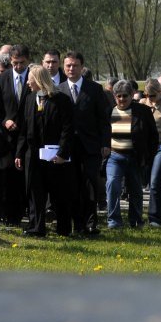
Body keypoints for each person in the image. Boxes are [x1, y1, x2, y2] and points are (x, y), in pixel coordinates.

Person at [14, 65, 73, 236]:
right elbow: (24, 129)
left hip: (54, 154)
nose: (27, 83)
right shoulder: (31, 99)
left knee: (59, 192)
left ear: (39, 80)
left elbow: (67, 129)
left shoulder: (61, 100)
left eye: (30, 79)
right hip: (32, 154)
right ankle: (36, 227)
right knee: (34, 191)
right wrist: (19, 153)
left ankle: (63, 228)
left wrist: (62, 153)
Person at [59, 51, 111, 236]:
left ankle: (91, 224)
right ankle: (77, 224)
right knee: (72, 186)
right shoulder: (59, 89)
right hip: (68, 148)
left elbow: (103, 120)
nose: (71, 69)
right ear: (64, 68)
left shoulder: (94, 89)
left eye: (75, 65)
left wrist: (105, 143)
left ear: (82, 67)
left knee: (90, 184)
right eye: (68, 66)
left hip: (90, 146)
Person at [105, 80, 158, 229]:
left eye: (125, 96)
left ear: (131, 95)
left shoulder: (143, 112)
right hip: (115, 157)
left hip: (135, 157)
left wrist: (148, 157)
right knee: (113, 186)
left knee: (135, 191)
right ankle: (114, 221)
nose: (122, 99)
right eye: (118, 96)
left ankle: (135, 221)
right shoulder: (108, 112)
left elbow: (153, 137)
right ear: (114, 96)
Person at [0, 44, 32, 225]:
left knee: (28, 176)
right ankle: (11, 216)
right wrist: (5, 120)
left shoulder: (34, 78)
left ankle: (29, 212)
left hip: (29, 134)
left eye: (21, 63)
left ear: (28, 60)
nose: (18, 67)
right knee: (9, 178)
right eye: (14, 63)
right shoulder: (2, 80)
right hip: (8, 136)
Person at [141, 78, 161, 226]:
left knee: (155, 182)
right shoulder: (143, 104)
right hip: (146, 149)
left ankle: (154, 218)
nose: (150, 99)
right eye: (147, 95)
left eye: (153, 96)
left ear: (160, 92)